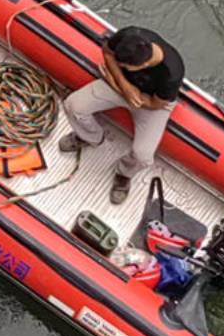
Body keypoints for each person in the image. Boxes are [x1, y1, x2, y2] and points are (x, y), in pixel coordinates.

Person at [58, 26, 185, 205]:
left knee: (143, 155)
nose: (121, 66)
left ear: (143, 66)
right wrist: (123, 85)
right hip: (121, 86)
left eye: (125, 66)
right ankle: (90, 137)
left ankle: (124, 174)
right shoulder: (130, 35)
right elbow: (108, 53)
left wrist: (114, 82)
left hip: (149, 103)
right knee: (73, 105)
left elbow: (155, 104)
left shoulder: (172, 73)